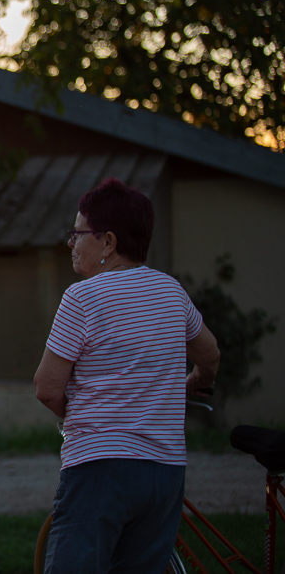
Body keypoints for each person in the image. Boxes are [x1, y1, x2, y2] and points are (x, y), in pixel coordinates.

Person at [34, 177, 220, 574]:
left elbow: (46, 388)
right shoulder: (172, 292)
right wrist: (194, 382)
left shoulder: (82, 298)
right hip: (165, 473)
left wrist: (78, 413)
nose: (70, 243)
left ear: (108, 242)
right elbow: (210, 354)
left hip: (99, 469)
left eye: (78, 234)